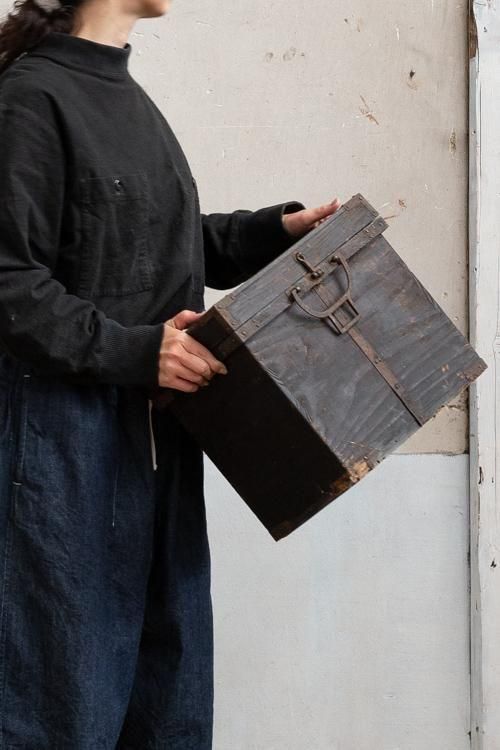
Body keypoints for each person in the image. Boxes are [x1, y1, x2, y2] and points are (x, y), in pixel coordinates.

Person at [0, 0, 341, 745]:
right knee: (62, 712)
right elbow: (10, 283)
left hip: (161, 451)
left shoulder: (128, 98)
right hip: (66, 461)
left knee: (168, 711)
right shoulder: (31, 98)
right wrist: (137, 350)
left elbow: (163, 243)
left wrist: (274, 232)